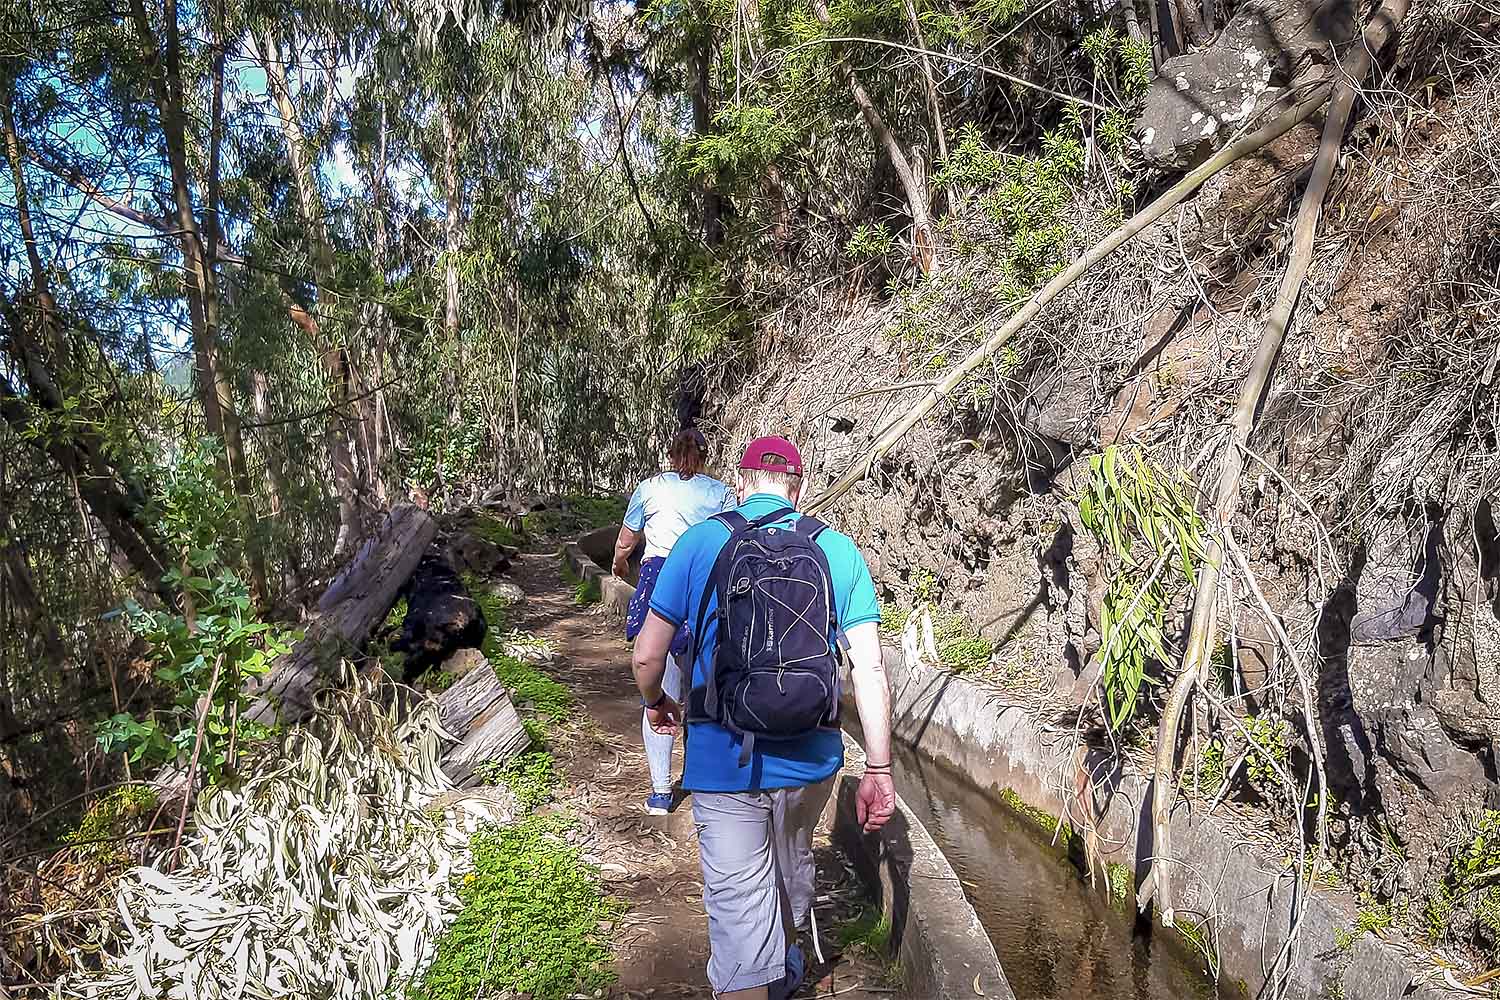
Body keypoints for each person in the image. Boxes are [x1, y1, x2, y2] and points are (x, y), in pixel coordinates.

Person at [631, 435, 897, 1000]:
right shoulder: (838, 551)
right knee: (791, 853)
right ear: (798, 487)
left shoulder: (701, 542)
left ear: (741, 483)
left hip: (723, 761)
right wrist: (879, 768)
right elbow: (870, 669)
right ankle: (788, 956)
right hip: (811, 759)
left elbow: (647, 656)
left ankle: (759, 972)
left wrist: (656, 702)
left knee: (739, 920)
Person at [614, 426, 735, 815]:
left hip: (658, 584)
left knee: (659, 689)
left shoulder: (649, 488)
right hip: (703, 586)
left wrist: (619, 565)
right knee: (701, 689)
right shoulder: (720, 493)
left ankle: (661, 792)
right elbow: (732, 541)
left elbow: (626, 541)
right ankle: (702, 780)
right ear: (705, 457)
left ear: (670, 455)